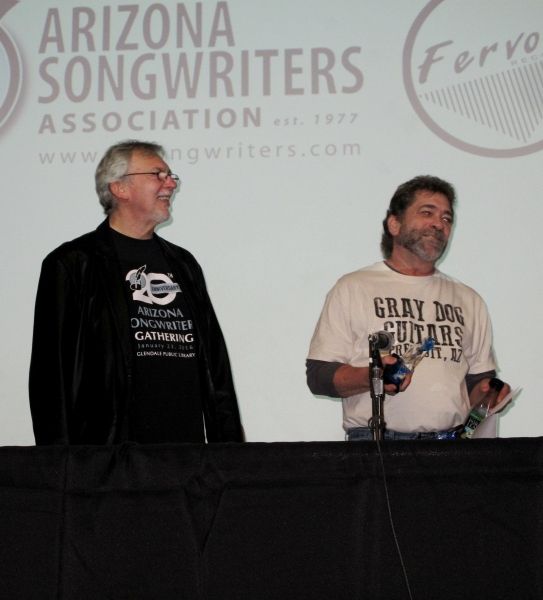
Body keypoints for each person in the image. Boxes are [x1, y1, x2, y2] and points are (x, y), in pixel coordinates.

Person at [29, 140, 243, 445]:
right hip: (110, 455)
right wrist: (61, 463)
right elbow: (51, 378)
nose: (171, 184)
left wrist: (230, 453)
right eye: (158, 174)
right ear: (119, 188)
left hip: (187, 453)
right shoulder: (73, 263)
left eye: (170, 176)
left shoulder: (183, 264)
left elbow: (215, 367)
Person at [306, 175, 510, 441]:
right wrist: (375, 376)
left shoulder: (468, 299)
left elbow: (477, 386)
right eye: (427, 213)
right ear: (394, 224)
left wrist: (488, 393)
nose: (438, 224)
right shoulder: (354, 287)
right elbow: (319, 376)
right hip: (377, 442)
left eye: (447, 218)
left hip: (451, 446)